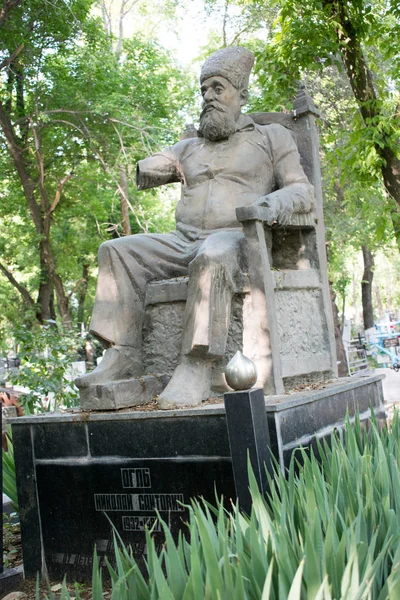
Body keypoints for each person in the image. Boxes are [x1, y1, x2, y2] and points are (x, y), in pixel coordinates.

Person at [75, 46, 314, 408]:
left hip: (236, 238)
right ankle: (122, 353)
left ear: (242, 95)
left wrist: (272, 203)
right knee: (116, 251)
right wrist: (152, 163)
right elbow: (150, 170)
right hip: (180, 240)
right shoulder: (189, 147)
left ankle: (196, 365)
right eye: (204, 90)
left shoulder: (271, 137)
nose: (208, 97)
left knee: (211, 255)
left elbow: (301, 189)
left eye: (218, 88)